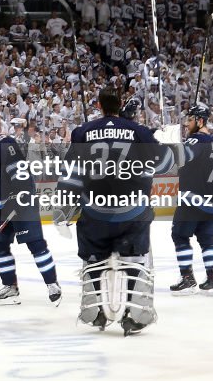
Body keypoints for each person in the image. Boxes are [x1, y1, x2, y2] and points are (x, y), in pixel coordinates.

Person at [53, 87, 174, 334]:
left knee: (92, 258)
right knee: (138, 258)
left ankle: (94, 310)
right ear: (121, 106)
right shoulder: (139, 132)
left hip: (96, 212)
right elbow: (165, 163)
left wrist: (62, 208)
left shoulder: (83, 132)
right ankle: (138, 314)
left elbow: (72, 173)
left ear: (99, 105)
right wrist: (162, 140)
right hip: (131, 212)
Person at [0, 112, 60, 307]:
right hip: (2, 206)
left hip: (21, 200)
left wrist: (17, 200)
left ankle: (52, 284)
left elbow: (20, 175)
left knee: (35, 243)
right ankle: (10, 286)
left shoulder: (4, 143)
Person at [169, 102, 213, 296]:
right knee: (208, 240)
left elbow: (181, 158)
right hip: (212, 202)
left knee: (180, 235)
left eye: (190, 120)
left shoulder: (195, 141)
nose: (186, 124)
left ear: (200, 121)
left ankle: (187, 278)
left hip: (193, 199)